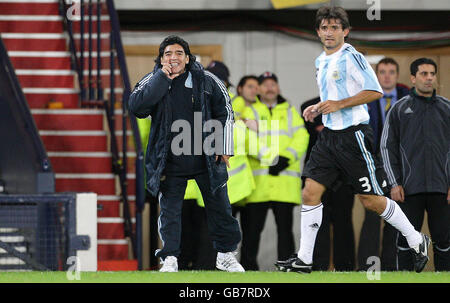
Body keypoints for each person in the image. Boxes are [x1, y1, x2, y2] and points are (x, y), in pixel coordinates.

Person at [276, 6, 430, 274]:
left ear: (345, 31)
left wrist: (339, 104)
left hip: (354, 136)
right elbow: (334, 95)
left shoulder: (351, 56)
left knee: (370, 200)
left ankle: (417, 240)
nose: (329, 32)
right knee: (310, 192)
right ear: (318, 32)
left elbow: (375, 91)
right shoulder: (320, 60)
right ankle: (304, 259)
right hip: (328, 139)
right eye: (324, 27)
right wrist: (319, 107)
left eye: (335, 27)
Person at [128, 35, 244, 272]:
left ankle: (225, 254)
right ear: (161, 59)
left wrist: (224, 147)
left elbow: (226, 112)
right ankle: (169, 257)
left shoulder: (207, 79)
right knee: (170, 212)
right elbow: (136, 107)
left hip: (206, 158)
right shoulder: (153, 79)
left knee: (220, 208)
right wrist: (162, 78)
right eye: (168, 53)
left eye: (179, 53)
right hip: (168, 159)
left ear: (188, 58)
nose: (174, 58)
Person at [380, 58, 449, 271]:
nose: (429, 78)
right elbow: (386, 147)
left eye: (432, 74)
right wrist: (394, 183)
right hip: (408, 189)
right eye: (423, 74)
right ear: (413, 78)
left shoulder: (447, 108)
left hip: (441, 188)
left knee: (444, 242)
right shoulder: (399, 108)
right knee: (405, 241)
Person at [240, 71, 309, 270]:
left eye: (273, 84)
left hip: (284, 184)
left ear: (278, 88)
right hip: (258, 186)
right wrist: (269, 157)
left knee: (285, 231)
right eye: (265, 84)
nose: (270, 87)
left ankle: (287, 269)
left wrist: (286, 158)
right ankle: (248, 270)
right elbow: (245, 138)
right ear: (259, 89)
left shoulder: (290, 112)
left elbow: (301, 137)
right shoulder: (250, 112)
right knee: (252, 232)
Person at [358, 58, 410, 271]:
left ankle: (391, 268)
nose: (387, 76)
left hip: (401, 169)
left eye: (391, 71)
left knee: (396, 219)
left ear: (397, 75)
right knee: (372, 217)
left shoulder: (408, 101)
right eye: (382, 72)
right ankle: (368, 269)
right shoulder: (365, 100)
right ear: (376, 76)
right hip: (373, 166)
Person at [301, 96, 356, 271]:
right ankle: (317, 266)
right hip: (318, 172)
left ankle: (345, 268)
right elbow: (315, 131)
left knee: (344, 222)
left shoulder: (349, 105)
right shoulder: (308, 106)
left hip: (344, 174)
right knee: (316, 222)